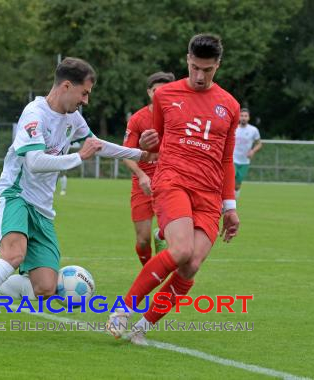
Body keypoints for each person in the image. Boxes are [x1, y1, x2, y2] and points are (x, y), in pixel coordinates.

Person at [0, 57, 153, 345]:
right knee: (13, 255)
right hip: (15, 194)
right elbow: (35, 162)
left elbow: (97, 145)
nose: (86, 101)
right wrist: (79, 157)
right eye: (84, 93)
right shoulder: (34, 114)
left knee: (45, 288)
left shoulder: (73, 118)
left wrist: (142, 155)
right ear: (66, 86)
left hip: (42, 209)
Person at [106, 33, 240, 345]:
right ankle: (123, 309)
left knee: (191, 265)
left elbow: (227, 160)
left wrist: (230, 208)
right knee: (180, 250)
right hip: (173, 181)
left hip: (208, 195)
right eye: (194, 67)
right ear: (187, 60)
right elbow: (152, 148)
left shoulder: (230, 105)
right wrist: (147, 144)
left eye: (206, 70)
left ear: (217, 65)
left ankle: (143, 327)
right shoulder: (165, 96)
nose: (199, 76)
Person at [123, 72, 175, 266]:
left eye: (165, 91)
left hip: (170, 179)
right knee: (143, 240)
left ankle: (161, 240)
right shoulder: (138, 119)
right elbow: (126, 154)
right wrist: (141, 175)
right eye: (155, 91)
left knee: (173, 232)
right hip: (142, 182)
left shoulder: (178, 117)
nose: (159, 94)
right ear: (149, 92)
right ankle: (149, 268)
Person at [234, 108, 262, 199]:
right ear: (238, 117)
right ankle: (228, 202)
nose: (243, 118)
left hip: (245, 161)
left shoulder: (253, 130)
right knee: (230, 180)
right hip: (232, 159)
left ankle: (234, 200)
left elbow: (259, 143)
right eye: (242, 116)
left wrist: (253, 151)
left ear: (249, 118)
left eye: (245, 116)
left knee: (237, 184)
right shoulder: (234, 128)